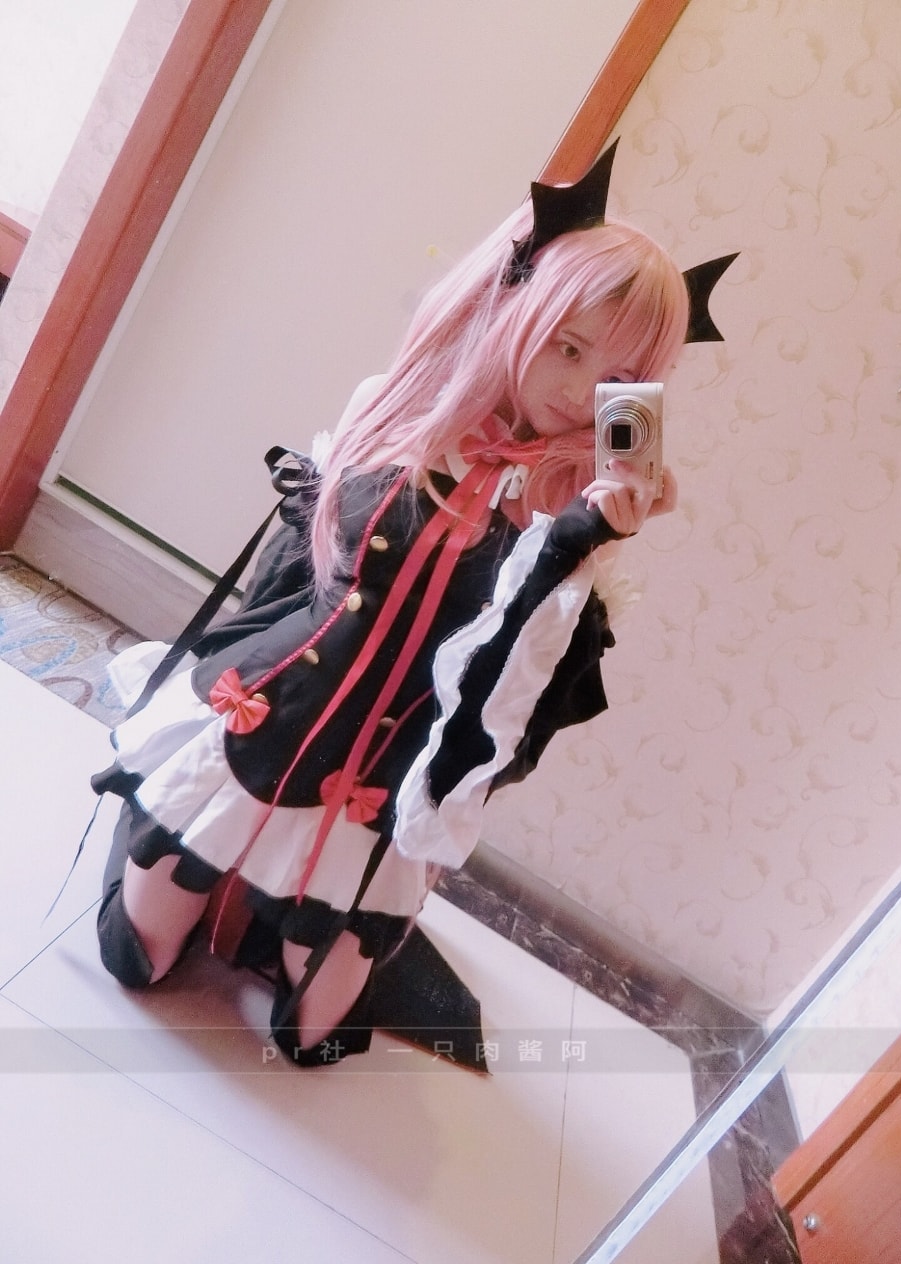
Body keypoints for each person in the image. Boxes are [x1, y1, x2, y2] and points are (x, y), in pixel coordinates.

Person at [92, 143, 691, 1068]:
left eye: (613, 376)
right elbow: (297, 570)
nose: (578, 392)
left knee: (313, 1033)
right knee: (138, 956)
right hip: (274, 711)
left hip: (386, 776)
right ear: (515, 308)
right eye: (566, 347)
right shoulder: (399, 412)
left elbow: (513, 694)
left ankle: (291, 923)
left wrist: (586, 535)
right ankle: (171, 844)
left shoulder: (577, 515)